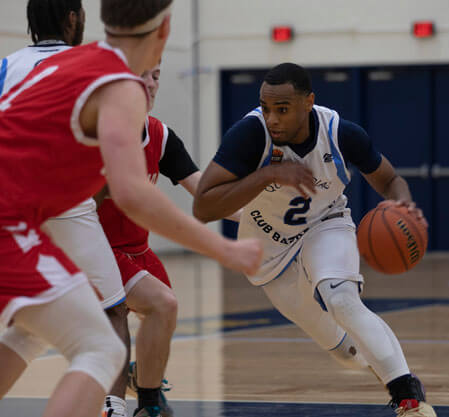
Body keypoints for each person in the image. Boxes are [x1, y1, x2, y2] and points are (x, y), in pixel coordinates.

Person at [0, 1, 261, 417]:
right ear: (166, 28)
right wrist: (224, 249)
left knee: (32, 331)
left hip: (26, 222)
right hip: (10, 223)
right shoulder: (118, 86)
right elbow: (133, 195)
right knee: (100, 347)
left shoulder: (69, 64)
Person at [194, 62, 436, 417]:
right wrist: (269, 174)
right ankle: (383, 362)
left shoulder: (340, 133)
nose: (272, 118)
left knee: (341, 299)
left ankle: (409, 398)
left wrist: (403, 204)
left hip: (326, 222)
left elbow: (389, 178)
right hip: (269, 248)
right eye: (265, 108)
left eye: (282, 109)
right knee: (346, 352)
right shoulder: (250, 135)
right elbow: (203, 206)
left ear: (308, 102)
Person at [0, 2, 133, 414]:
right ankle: (112, 405)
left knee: (33, 322)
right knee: (112, 313)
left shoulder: (6, 66)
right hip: (65, 206)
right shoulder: (89, 65)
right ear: (73, 19)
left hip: (13, 205)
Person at [97, 62, 241, 417]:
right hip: (96, 249)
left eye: (157, 75)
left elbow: (205, 196)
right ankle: (131, 404)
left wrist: (262, 220)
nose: (151, 82)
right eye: (141, 74)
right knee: (159, 303)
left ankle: (143, 384)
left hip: (137, 250)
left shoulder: (161, 137)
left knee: (162, 314)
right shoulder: (98, 135)